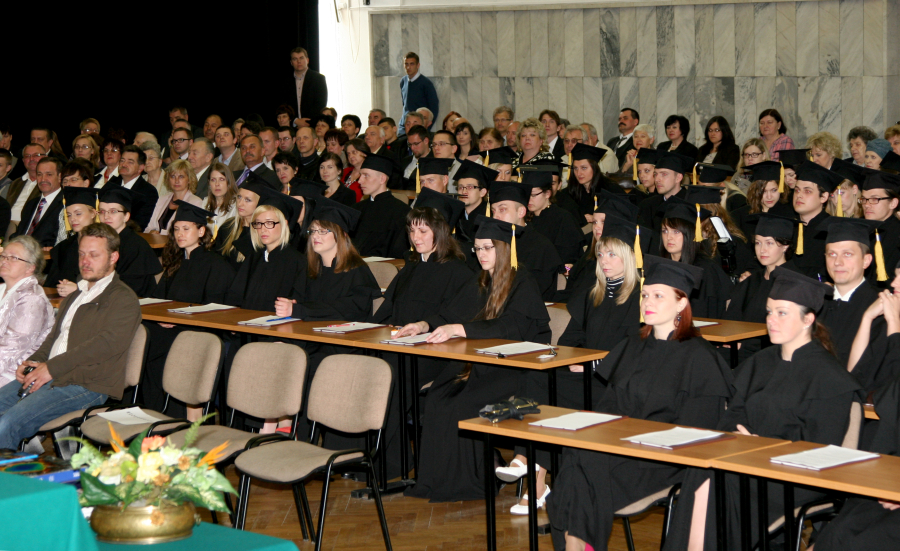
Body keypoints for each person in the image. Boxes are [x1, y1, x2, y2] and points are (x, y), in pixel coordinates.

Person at [662, 266, 862, 551]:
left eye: (782, 313)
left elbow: (821, 448)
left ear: (808, 319)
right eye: (769, 312)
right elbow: (733, 414)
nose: (771, 320)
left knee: (723, 479)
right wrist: (738, 439)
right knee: (702, 467)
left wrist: (765, 449)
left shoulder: (830, 378)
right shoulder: (760, 362)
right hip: (748, 461)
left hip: (795, 477)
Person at [548, 255, 733, 551]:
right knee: (577, 454)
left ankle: (579, 544)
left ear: (682, 304)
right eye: (645, 295)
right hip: (622, 448)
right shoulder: (632, 345)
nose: (648, 302)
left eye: (659, 296)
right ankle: (577, 544)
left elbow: (699, 431)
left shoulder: (700, 357)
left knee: (586, 466)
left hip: (664, 459)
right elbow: (609, 408)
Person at [405, 215, 551, 502]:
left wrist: (460, 329)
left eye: (488, 248)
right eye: (477, 248)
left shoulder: (522, 280)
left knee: (462, 403)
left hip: (515, 369)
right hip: (481, 363)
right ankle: (437, 482)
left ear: (503, 248)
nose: (481, 254)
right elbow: (451, 313)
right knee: (438, 397)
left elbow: (512, 327)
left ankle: (474, 481)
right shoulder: (481, 279)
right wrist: (424, 324)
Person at [0, 223, 142, 451]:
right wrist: (33, 362)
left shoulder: (123, 298)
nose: (85, 261)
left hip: (87, 384)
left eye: (94, 255)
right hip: (54, 374)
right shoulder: (77, 293)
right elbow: (53, 338)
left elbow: (105, 345)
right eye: (82, 254)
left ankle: (12, 475)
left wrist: (51, 368)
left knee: (7, 424)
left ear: (113, 257)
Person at [141, 202, 235, 413]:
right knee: (143, 337)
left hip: (197, 330)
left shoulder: (216, 264)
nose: (180, 234)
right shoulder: (176, 261)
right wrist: (160, 317)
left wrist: (176, 319)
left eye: (186, 228)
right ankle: (150, 411)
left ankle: (170, 414)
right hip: (170, 327)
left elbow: (215, 308)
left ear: (201, 231)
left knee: (156, 347)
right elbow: (158, 299)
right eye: (176, 229)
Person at [725, 212, 797, 362]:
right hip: (741, 350)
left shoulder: (795, 283)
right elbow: (732, 319)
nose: (762, 249)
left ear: (785, 246)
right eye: (758, 243)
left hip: (773, 355)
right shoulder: (751, 281)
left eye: (769, 243)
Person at [817, 217, 884, 367]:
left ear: (866, 261)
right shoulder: (815, 303)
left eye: (847, 254)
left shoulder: (880, 307)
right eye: (832, 254)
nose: (837, 262)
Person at [225, 196, 307, 311]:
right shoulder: (254, 258)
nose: (263, 229)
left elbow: (299, 300)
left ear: (284, 224)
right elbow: (235, 296)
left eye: (269, 223)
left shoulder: (297, 261)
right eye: (258, 223)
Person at [490, 178, 563, 301]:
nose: (495, 216)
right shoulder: (491, 243)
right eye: (493, 211)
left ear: (521, 212)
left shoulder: (541, 247)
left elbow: (534, 292)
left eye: (502, 210)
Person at [659, 198, 733, 317]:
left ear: (690, 233)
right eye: (665, 231)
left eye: (676, 232)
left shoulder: (706, 270)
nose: (669, 237)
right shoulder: (661, 266)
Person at [0, 236, 55, 387]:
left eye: (13, 258)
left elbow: (10, 350)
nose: (4, 261)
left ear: (30, 267)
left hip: (13, 375)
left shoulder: (32, 300)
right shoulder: (2, 289)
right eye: (3, 256)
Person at [89, 188, 161, 298]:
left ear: (126, 216)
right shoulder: (100, 241)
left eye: (113, 211)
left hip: (132, 302)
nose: (106, 216)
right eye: (102, 211)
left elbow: (130, 287)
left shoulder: (136, 246)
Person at [351, 154, 411, 258]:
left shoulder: (401, 212)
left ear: (382, 179)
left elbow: (399, 251)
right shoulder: (356, 209)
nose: (359, 181)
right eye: (360, 175)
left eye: (366, 175)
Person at [792, 160, 842, 280]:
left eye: (807, 191)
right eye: (797, 190)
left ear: (823, 197)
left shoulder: (833, 230)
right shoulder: (787, 226)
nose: (799, 195)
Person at [524, 169, 584, 266]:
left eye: (533, 195)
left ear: (547, 194)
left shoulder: (563, 218)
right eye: (526, 194)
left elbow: (569, 258)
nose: (529, 199)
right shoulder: (524, 217)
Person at [44, 188, 100, 289]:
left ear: (93, 213)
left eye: (78, 214)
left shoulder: (104, 244)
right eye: (69, 215)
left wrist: (78, 289)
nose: (72, 219)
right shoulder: (63, 247)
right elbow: (51, 284)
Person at [212, 179, 267, 271]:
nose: (240, 204)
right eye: (239, 197)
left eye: (247, 200)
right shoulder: (228, 227)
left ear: (259, 203)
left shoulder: (264, 231)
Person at [562, 143, 623, 224]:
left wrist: (598, 219)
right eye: (576, 168)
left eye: (584, 168)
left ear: (594, 168)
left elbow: (622, 216)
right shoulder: (569, 192)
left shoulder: (611, 190)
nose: (579, 173)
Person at [731, 160, 793, 239]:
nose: (769, 197)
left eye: (774, 190)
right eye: (763, 191)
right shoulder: (739, 216)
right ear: (756, 191)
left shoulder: (790, 215)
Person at [859, 172, 900, 288]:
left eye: (874, 199)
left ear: (893, 203)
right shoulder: (859, 229)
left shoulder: (897, 235)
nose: (867, 205)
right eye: (864, 199)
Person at [106, 145, 160, 230]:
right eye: (122, 160)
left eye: (130, 162)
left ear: (140, 167)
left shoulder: (148, 191)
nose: (124, 164)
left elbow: (140, 224)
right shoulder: (112, 183)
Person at [637, 151, 693, 231]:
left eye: (664, 174)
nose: (657, 179)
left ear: (678, 178)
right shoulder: (647, 205)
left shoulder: (691, 205)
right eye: (655, 174)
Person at [145, 160, 203, 235]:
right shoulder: (162, 199)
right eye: (173, 176)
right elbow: (149, 227)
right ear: (168, 179)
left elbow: (191, 232)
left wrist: (161, 233)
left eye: (181, 176)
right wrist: (151, 232)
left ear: (189, 179)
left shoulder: (195, 202)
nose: (176, 181)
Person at [16, 157, 63, 248]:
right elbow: (20, 233)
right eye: (39, 174)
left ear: (60, 177)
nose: (43, 179)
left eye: (49, 174)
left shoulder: (65, 204)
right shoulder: (31, 204)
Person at [454, 160, 497, 243]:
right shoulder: (455, 215)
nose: (464, 191)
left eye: (470, 187)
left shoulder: (491, 216)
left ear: (482, 192)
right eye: (461, 187)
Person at [288, 47, 328, 127]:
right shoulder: (285, 82)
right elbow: (283, 106)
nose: (299, 61)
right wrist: (295, 121)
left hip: (312, 126)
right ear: (291, 62)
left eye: (301, 58)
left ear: (307, 60)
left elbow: (321, 104)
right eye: (295, 59)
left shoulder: (318, 79)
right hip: (291, 126)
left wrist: (307, 122)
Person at [201, 162, 239, 233]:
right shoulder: (205, 202)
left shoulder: (236, 205)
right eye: (213, 180)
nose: (217, 184)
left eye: (221, 179)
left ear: (229, 182)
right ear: (209, 183)